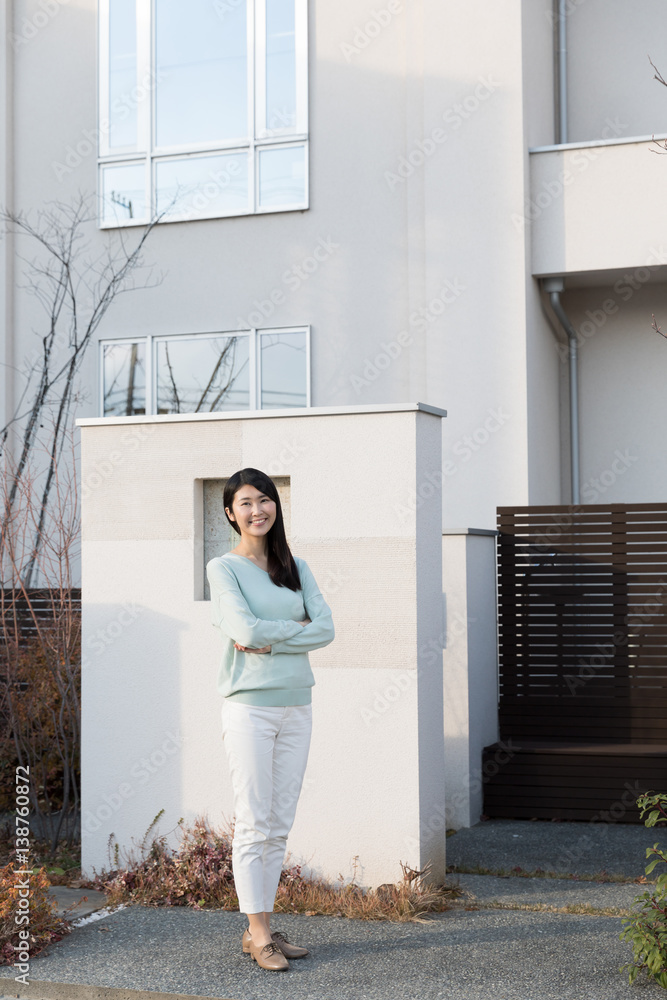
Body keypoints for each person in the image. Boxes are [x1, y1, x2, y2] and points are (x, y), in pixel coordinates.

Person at [206, 467, 335, 972]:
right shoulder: (224, 569)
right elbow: (240, 627)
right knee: (254, 819)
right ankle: (257, 933)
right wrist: (290, 626)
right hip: (250, 707)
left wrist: (267, 633)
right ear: (229, 513)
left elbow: (325, 629)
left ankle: (263, 922)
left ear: (275, 506)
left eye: (264, 500)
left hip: (297, 703)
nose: (257, 510)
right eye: (245, 503)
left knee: (278, 824)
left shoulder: (296, 566)